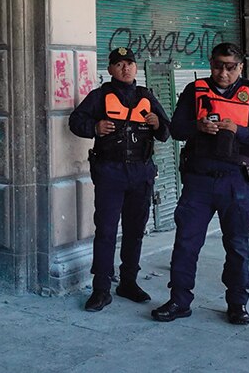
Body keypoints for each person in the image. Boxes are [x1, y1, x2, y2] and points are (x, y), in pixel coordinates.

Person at [151, 42, 249, 325]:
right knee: (185, 243)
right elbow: (176, 129)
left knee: (237, 245)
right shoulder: (195, 91)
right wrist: (198, 126)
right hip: (199, 181)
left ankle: (237, 304)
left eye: (230, 67)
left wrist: (238, 130)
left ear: (240, 67)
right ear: (211, 63)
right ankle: (179, 300)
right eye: (218, 66)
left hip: (237, 183)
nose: (223, 73)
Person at [69, 47, 171, 311]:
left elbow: (167, 132)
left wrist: (157, 123)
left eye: (130, 64)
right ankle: (101, 289)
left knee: (135, 231)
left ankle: (128, 282)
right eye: (119, 64)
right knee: (105, 232)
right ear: (111, 69)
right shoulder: (100, 96)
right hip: (110, 173)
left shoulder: (146, 96)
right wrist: (94, 127)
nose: (126, 69)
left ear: (136, 68)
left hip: (141, 173)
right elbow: (75, 120)